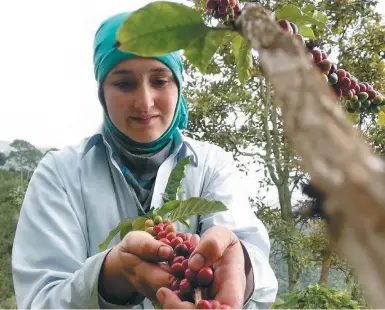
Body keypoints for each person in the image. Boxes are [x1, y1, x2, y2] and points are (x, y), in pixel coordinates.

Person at [11, 9, 278, 310]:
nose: (145, 102)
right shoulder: (59, 174)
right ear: (102, 92)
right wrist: (110, 277)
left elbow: (258, 269)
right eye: (124, 84)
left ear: (178, 85)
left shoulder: (211, 165)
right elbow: (39, 300)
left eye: (160, 81)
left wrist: (241, 267)